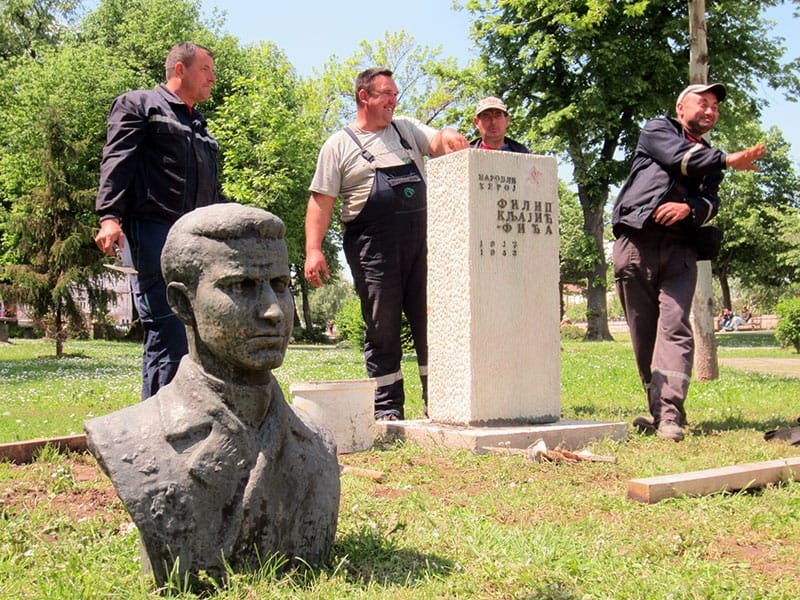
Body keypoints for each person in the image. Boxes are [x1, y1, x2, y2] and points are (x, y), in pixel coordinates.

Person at [85, 204, 340, 589]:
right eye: (240, 287)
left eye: (280, 285)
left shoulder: (318, 443)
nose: (273, 311)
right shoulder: (126, 438)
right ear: (183, 304)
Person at [304, 67, 469, 421]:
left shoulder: (405, 129)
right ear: (364, 97)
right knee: (383, 326)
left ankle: (440, 403)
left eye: (395, 95)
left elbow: (437, 142)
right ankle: (387, 408)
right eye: (386, 95)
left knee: (432, 323)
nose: (394, 101)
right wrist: (314, 249)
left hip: (422, 246)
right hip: (373, 248)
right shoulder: (339, 145)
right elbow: (321, 200)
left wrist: (449, 137)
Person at [611, 83, 766, 442]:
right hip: (637, 244)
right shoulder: (657, 130)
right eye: (703, 103)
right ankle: (658, 410)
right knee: (643, 333)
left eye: (715, 106)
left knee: (676, 326)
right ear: (681, 108)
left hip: (681, 250)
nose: (710, 111)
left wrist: (690, 208)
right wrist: (728, 159)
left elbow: (711, 203)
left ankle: (670, 415)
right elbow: (682, 159)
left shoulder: (712, 160)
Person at [94, 41, 224, 400]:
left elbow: (211, 190)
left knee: (197, 332)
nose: (213, 78)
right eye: (206, 70)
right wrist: (109, 216)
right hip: (152, 231)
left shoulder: (200, 126)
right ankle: (160, 428)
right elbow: (117, 161)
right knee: (168, 327)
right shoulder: (140, 105)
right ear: (179, 70)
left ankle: (187, 417)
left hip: (197, 239)